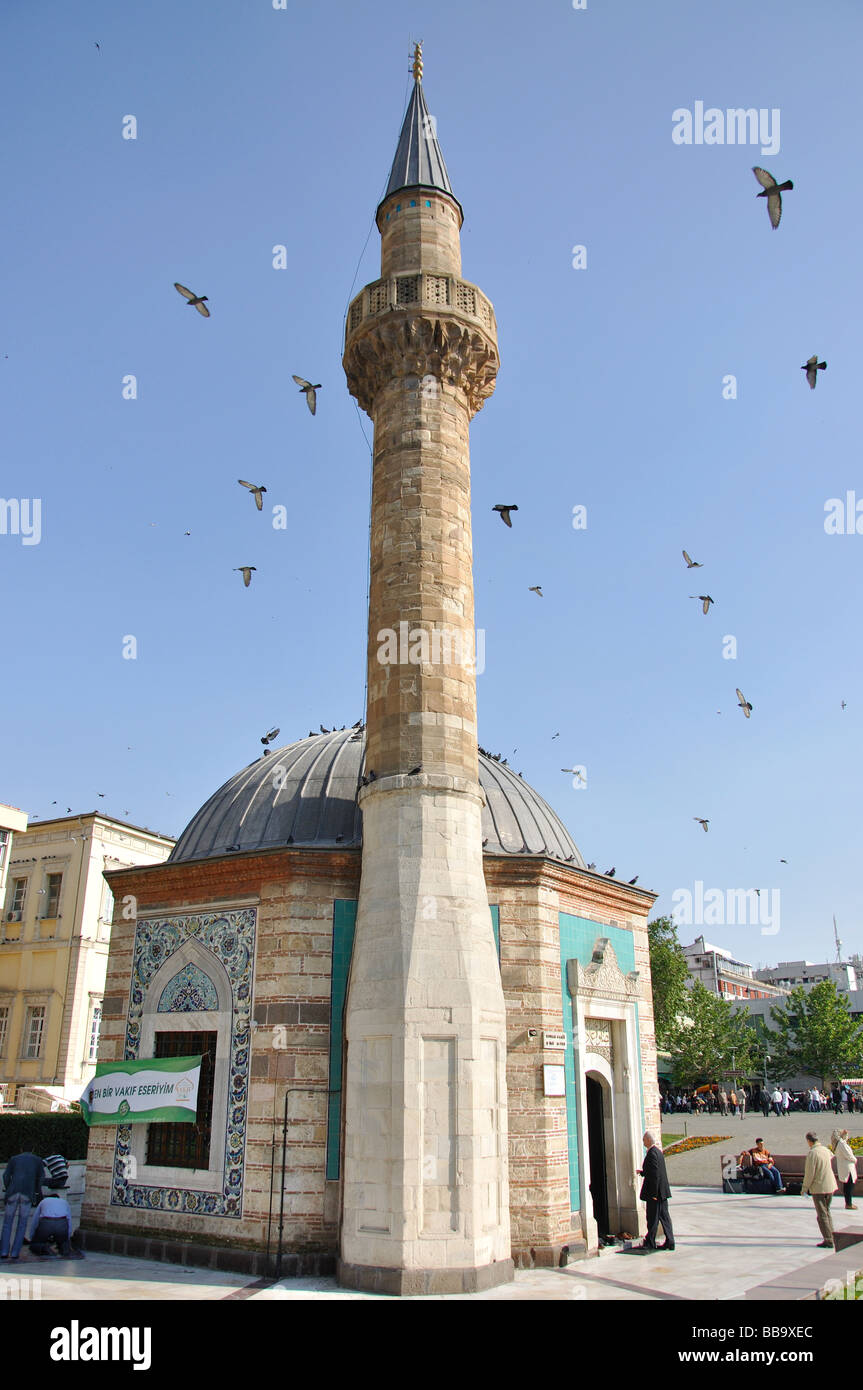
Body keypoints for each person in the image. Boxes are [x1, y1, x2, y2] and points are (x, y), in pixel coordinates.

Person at [1, 1151, 45, 1261]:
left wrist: (8, 1188)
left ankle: (4, 1251)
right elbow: (41, 1178)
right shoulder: (38, 1160)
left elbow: (6, 1175)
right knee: (22, 1224)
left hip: (12, 1193)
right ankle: (15, 1252)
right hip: (27, 1194)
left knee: (7, 1223)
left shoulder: (14, 1158)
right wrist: (36, 1192)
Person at [638, 1132, 674, 1251]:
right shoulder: (657, 1152)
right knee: (664, 1217)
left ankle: (650, 1241)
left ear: (648, 1140)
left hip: (656, 1194)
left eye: (644, 1140)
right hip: (662, 1193)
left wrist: (653, 1194)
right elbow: (654, 1171)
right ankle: (670, 1241)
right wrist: (642, 1172)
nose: (643, 1142)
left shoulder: (652, 1153)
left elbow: (655, 1176)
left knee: (652, 1218)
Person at [802, 1131, 838, 1248]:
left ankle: (829, 1240)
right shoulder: (825, 1150)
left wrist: (804, 1188)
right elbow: (832, 1156)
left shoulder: (812, 1153)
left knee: (822, 1215)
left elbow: (809, 1174)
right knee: (827, 1212)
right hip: (830, 1185)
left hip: (819, 1188)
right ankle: (833, 1236)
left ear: (809, 1141)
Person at [28, 1193, 82, 1258]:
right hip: (62, 1223)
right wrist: (67, 1237)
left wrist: (32, 1236)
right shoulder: (64, 1202)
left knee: (35, 1244)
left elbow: (35, 1219)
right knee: (63, 1243)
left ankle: (43, 1248)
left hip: (46, 1223)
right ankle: (64, 1250)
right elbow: (69, 1220)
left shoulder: (44, 1201)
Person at [830, 1129, 858, 1211]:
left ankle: (848, 1202)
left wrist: (845, 1134)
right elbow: (848, 1155)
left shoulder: (838, 1143)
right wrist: (854, 1159)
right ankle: (849, 1203)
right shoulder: (841, 1144)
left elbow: (844, 1140)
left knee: (847, 1185)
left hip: (844, 1166)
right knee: (849, 1185)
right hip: (848, 1167)